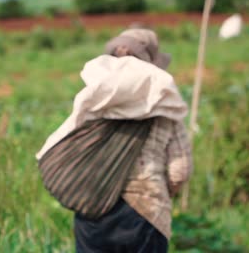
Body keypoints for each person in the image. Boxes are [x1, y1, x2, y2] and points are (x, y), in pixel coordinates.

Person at [37, 28, 192, 253]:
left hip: (93, 205)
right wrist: (163, 193)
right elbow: (180, 170)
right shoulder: (164, 106)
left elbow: (67, 142)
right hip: (146, 211)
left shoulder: (95, 96)